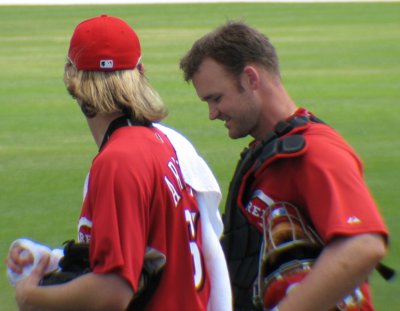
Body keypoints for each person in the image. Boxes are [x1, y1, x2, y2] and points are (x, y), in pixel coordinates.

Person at [6, 15, 232, 311]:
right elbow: (148, 256)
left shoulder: (118, 161)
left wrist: (30, 296)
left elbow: (114, 291)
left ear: (71, 80)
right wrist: (51, 260)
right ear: (140, 72)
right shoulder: (164, 144)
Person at [180, 21, 390, 311]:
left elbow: (363, 246)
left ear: (251, 78)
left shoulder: (316, 151)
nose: (212, 114)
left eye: (216, 98)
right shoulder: (265, 152)